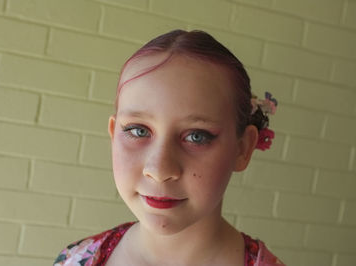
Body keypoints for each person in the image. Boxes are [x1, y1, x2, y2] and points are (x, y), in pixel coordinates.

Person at [54, 29, 284, 266]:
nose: (160, 169)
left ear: (242, 149)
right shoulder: (73, 260)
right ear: (114, 135)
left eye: (196, 136)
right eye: (138, 130)